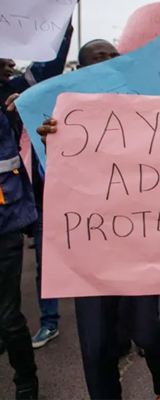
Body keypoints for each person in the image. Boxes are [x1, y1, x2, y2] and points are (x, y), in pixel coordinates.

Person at [36, 12, 160, 400]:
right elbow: (51, 182)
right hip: (90, 251)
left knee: (151, 332)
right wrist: (50, 142)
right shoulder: (59, 120)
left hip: (141, 244)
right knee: (97, 344)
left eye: (113, 56)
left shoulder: (148, 108)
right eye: (96, 59)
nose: (107, 63)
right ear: (79, 71)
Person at [0, 22, 73, 399]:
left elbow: (48, 68)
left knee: (8, 312)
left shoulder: (8, 91)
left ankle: (25, 382)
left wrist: (62, 24)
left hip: (4, 221)